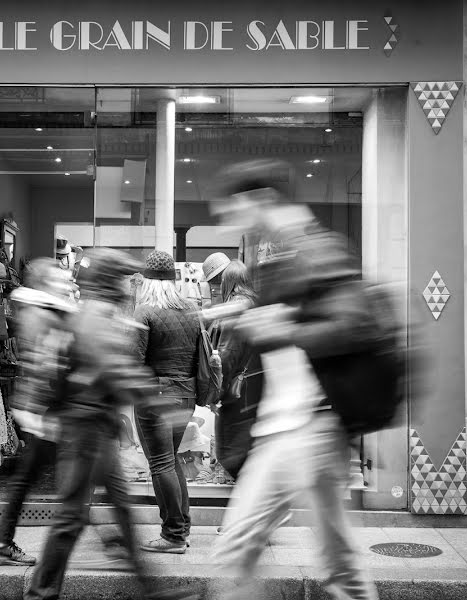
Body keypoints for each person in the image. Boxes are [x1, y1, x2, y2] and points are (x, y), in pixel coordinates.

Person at [208, 159, 377, 600]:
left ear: (261, 200)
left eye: (235, 208)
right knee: (238, 550)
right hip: (283, 429)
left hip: (314, 427)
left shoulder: (317, 247)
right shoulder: (274, 253)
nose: (232, 219)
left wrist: (283, 329)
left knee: (329, 564)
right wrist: (244, 313)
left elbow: (354, 325)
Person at [25, 248, 175, 600]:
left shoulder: (97, 312)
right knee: (71, 519)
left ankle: (150, 589)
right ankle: (39, 593)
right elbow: (111, 366)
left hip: (95, 427)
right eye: (123, 278)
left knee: (118, 512)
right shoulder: (96, 314)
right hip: (85, 430)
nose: (128, 285)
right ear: (110, 281)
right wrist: (150, 397)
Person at [0, 258, 77, 566]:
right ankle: (4, 543)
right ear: (43, 283)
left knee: (29, 479)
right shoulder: (44, 315)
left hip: (43, 410)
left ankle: (3, 543)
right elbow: (46, 363)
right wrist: (45, 414)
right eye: (57, 278)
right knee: (43, 478)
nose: (64, 283)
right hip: (45, 413)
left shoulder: (42, 311)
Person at [132, 250, 199, 554]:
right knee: (170, 461)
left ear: (146, 280)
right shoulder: (191, 310)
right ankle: (182, 526)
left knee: (160, 464)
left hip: (155, 397)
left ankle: (172, 535)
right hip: (186, 395)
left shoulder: (144, 312)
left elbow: (133, 362)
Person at [206, 260, 261, 484]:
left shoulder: (235, 309)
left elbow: (227, 355)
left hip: (238, 394)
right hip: (256, 391)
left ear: (228, 284)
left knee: (230, 454)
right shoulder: (256, 305)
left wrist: (214, 393)